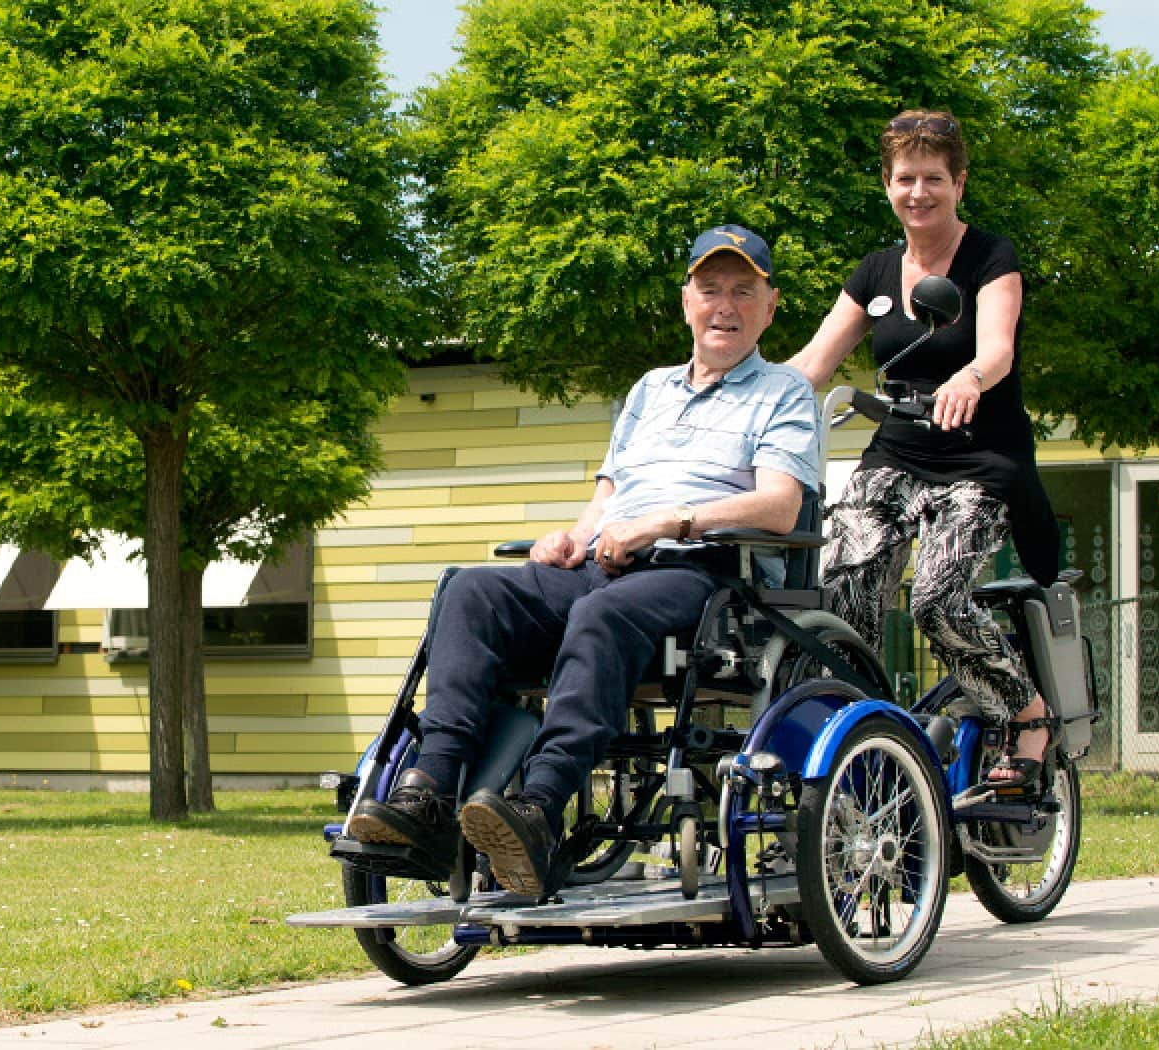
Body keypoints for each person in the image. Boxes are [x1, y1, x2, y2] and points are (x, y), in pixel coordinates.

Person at [345, 224, 819, 900]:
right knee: (470, 591)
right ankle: (430, 791)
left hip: (706, 575)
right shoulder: (650, 389)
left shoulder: (784, 392)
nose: (725, 306)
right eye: (710, 289)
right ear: (686, 300)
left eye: (743, 292)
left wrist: (669, 522)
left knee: (601, 613)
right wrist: (572, 536)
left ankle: (538, 809)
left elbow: (777, 505)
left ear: (769, 308)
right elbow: (610, 496)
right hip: (610, 563)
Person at [785, 109, 1057, 792]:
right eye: (905, 178)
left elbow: (995, 346)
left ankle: (1027, 715)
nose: (919, 192)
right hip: (898, 451)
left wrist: (969, 376)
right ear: (887, 185)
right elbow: (815, 361)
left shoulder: (990, 257)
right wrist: (745, 394)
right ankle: (862, 735)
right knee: (842, 593)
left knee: (938, 600)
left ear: (959, 182)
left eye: (934, 177)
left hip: (979, 455)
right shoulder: (875, 271)